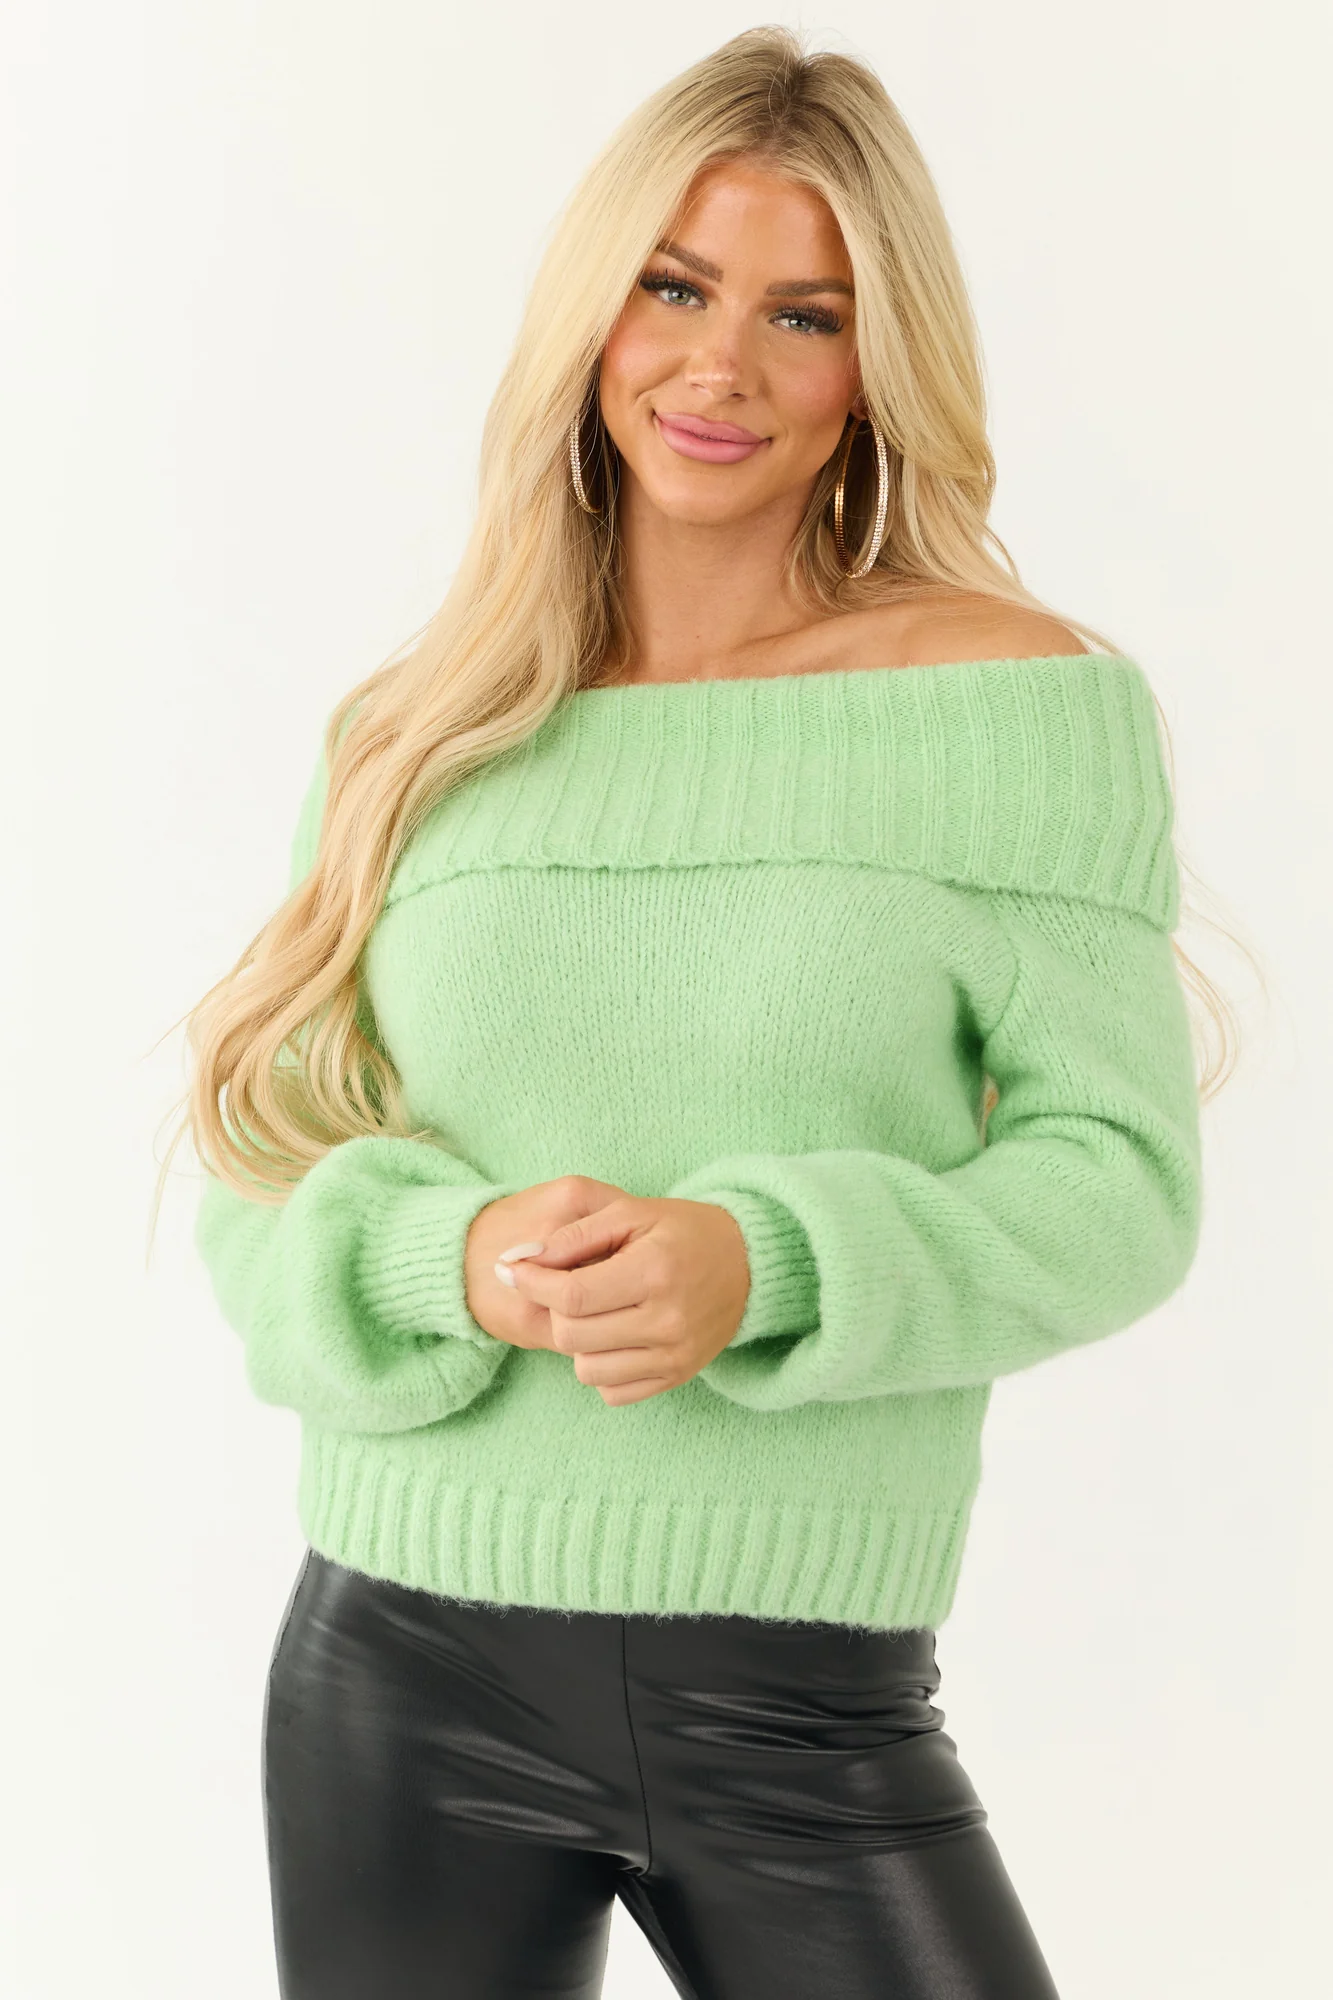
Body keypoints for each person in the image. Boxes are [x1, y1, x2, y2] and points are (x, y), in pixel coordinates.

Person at [176, 26, 1210, 1999]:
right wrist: (452, 1261)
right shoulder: (420, 733)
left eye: (803, 315)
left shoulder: (1017, 710)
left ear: (873, 369)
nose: (719, 365)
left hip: (802, 1705)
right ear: (593, 311)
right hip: (397, 1675)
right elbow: (260, 1170)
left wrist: (768, 1262)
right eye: (673, 286)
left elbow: (1123, 1183)